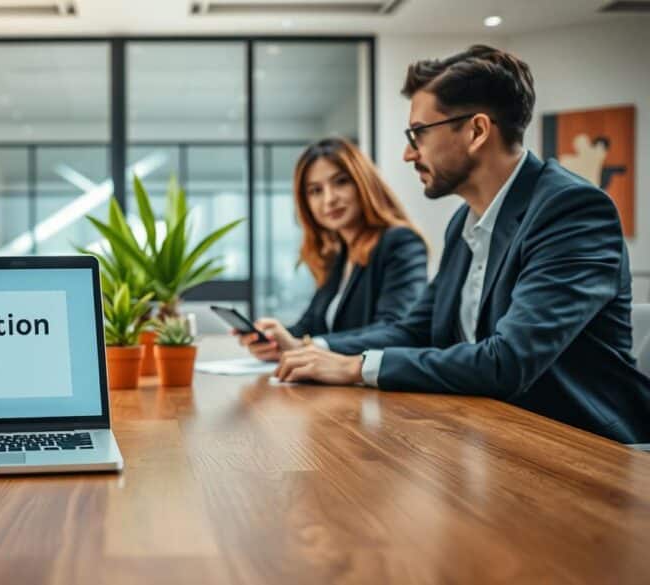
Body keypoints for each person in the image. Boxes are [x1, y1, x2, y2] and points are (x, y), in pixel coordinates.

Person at [270, 45, 650, 443]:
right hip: (488, 434)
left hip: (579, 447)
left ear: (477, 131)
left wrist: (356, 367)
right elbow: (413, 330)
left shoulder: (571, 211)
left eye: (418, 133)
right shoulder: (463, 223)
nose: (407, 153)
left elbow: (508, 362)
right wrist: (321, 353)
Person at [235, 137, 428, 362]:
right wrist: (273, 338)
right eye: (315, 191)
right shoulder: (340, 254)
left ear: (363, 183)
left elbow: (395, 330)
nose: (329, 199)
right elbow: (310, 325)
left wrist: (306, 346)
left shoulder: (400, 241)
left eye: (341, 182)